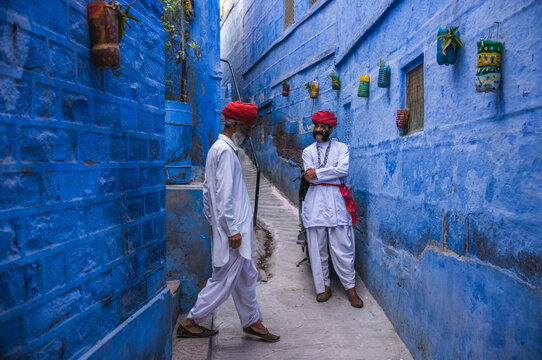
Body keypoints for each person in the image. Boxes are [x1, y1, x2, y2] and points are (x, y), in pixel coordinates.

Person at [177, 101, 280, 342]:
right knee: (223, 281)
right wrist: (230, 230)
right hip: (234, 233)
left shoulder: (221, 149)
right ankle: (191, 321)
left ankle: (252, 321)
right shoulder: (224, 151)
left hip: (232, 230)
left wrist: (216, 223)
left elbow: (206, 191)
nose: (249, 133)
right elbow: (222, 196)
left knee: (246, 276)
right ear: (234, 124)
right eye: (247, 128)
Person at [302, 110, 363, 308]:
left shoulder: (341, 148)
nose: (318, 130)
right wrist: (327, 173)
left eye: (322, 127)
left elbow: (343, 171)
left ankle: (350, 288)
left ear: (330, 128)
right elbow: (308, 175)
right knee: (317, 247)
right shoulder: (308, 151)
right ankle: (323, 287)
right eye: (316, 126)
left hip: (336, 202)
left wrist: (318, 173)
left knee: (343, 246)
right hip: (315, 202)